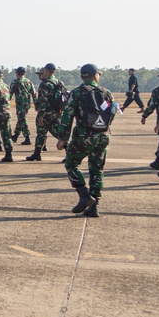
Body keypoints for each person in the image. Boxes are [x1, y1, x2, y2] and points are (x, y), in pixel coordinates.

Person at [57, 64, 116, 217]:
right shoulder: (107, 93)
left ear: (83, 76)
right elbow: (111, 113)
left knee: (71, 163)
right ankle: (94, 205)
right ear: (95, 75)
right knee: (97, 170)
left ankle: (84, 195)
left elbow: (67, 116)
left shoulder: (77, 93)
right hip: (102, 136)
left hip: (83, 136)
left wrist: (63, 138)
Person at [27, 63, 66, 161]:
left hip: (46, 114)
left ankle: (37, 154)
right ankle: (37, 153)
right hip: (57, 112)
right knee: (56, 133)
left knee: (41, 133)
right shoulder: (59, 82)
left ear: (47, 71)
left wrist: (41, 116)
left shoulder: (45, 84)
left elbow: (43, 101)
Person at [9, 67, 35, 145]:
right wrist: (36, 103)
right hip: (27, 103)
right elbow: (33, 93)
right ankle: (16, 135)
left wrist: (7, 102)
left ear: (17, 73)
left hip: (20, 103)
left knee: (22, 119)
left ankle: (27, 137)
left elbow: (10, 94)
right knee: (21, 119)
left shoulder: (15, 82)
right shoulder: (29, 82)